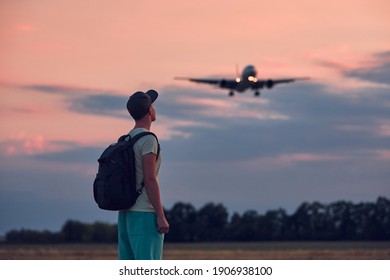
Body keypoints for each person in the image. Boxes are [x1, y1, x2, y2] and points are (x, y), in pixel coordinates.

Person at [117, 89, 169, 260]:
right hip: (144, 214)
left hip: (125, 214)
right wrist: (160, 216)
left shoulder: (125, 139)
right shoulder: (148, 140)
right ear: (150, 111)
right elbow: (150, 179)